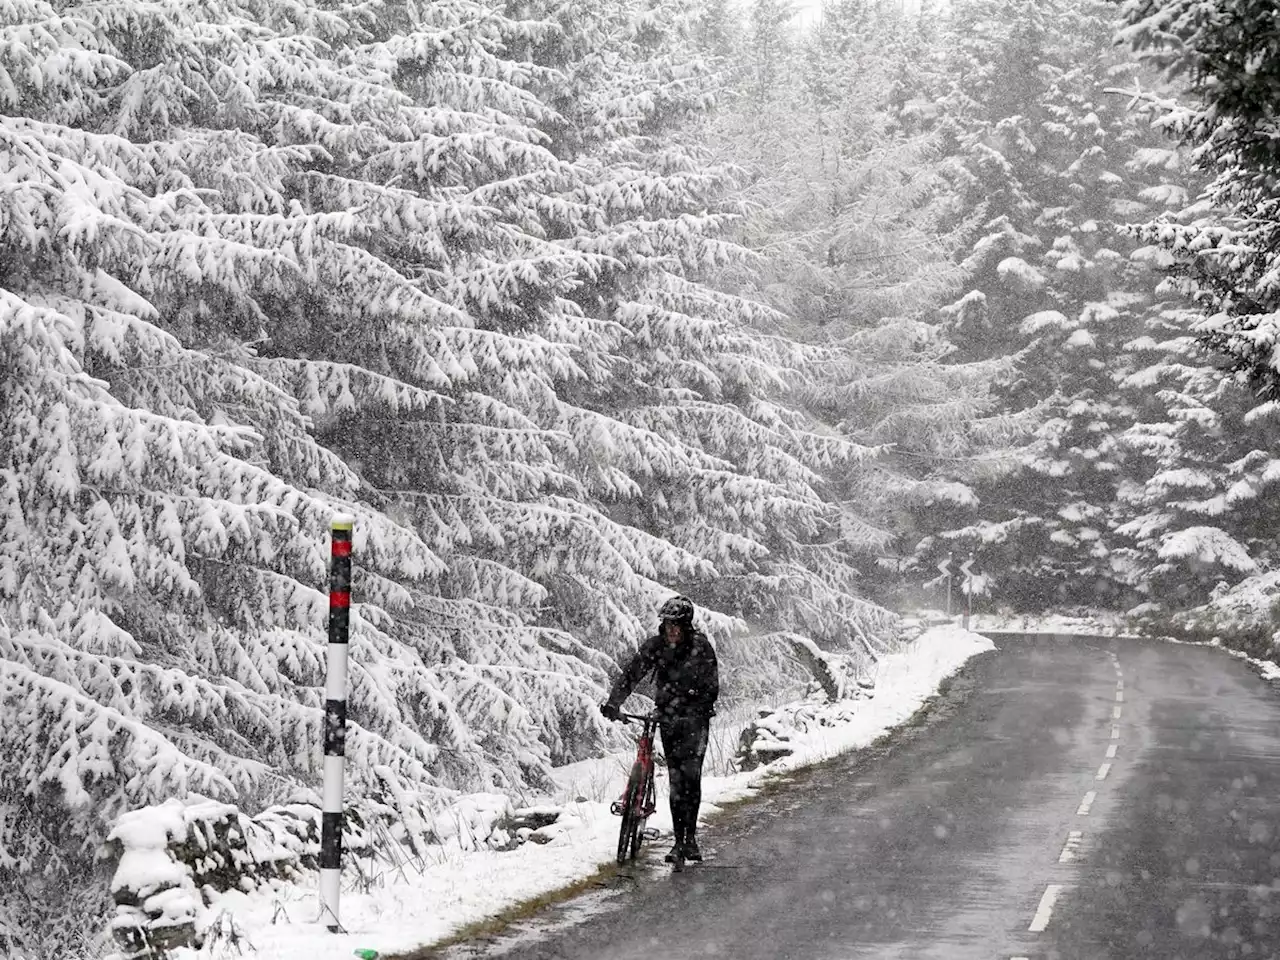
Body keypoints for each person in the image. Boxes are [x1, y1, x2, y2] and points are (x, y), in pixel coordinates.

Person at [601, 595, 719, 863]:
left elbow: (712, 687)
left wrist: (694, 707)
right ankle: (679, 842)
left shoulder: (701, 648)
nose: (672, 630)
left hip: (694, 723)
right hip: (667, 718)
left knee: (691, 778)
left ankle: (689, 838)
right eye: (667, 625)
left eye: (676, 625)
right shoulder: (656, 646)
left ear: (686, 625)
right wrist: (613, 703)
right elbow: (632, 673)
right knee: (677, 782)